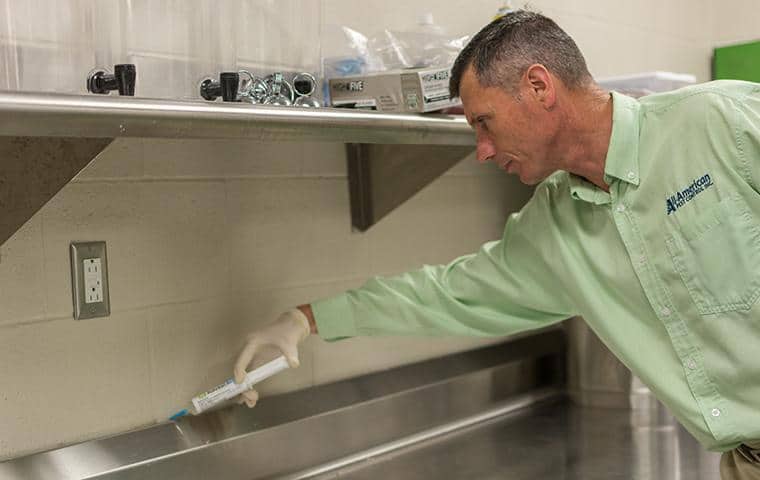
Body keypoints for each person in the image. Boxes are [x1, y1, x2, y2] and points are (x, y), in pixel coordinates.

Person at [234, 10, 760, 479]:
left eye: (483, 123)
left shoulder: (719, 123)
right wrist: (308, 317)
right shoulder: (556, 226)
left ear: (538, 86)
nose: (482, 151)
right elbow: (449, 294)